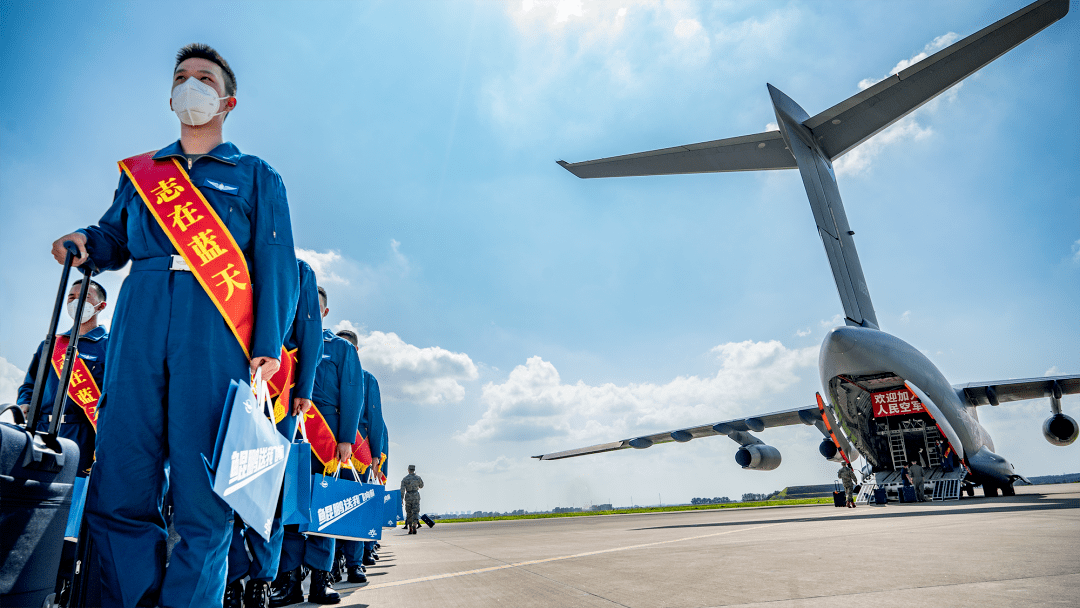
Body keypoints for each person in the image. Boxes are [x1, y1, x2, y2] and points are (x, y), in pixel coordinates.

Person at [49, 43, 299, 607]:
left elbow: (275, 263)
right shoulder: (144, 175)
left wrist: (266, 347)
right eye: (182, 77)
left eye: (204, 78)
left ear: (227, 100)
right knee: (121, 477)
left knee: (202, 494)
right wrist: (87, 243)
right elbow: (113, 237)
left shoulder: (256, 175)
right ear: (170, 96)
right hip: (139, 317)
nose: (191, 85)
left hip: (214, 330)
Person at [227, 259, 323, 608]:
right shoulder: (229, 251)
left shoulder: (299, 270)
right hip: (229, 381)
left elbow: (311, 332)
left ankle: (262, 580)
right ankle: (233, 576)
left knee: (270, 492)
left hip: (276, 395)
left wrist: (305, 390)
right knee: (227, 484)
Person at [271, 286, 363, 606]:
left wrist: (346, 439)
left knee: (323, 514)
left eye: (312, 307)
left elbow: (352, 395)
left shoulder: (339, 349)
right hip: (290, 437)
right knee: (291, 513)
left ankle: (320, 581)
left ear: (323, 312)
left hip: (326, 444)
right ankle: (290, 581)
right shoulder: (283, 343)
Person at [17, 279, 109, 477]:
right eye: (71, 297)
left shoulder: (109, 346)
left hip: (82, 435)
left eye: (84, 297)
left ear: (101, 306)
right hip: (41, 430)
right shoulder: (50, 345)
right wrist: (24, 403)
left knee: (71, 495)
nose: (76, 302)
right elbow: (29, 385)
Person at [401, 465, 424, 534]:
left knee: (409, 512)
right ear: (414, 470)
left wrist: (401, 499)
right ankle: (415, 524)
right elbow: (421, 486)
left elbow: (402, 490)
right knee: (416, 511)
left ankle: (410, 528)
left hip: (408, 496)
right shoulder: (418, 478)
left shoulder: (405, 479)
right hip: (416, 495)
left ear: (408, 470)